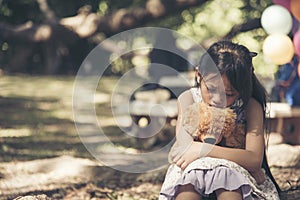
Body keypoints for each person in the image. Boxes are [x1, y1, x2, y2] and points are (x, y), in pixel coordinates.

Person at [159, 40, 280, 200]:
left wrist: (203, 150)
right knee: (189, 186)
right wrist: (236, 155)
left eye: (229, 94)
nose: (217, 99)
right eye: (211, 89)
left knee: (227, 179)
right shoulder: (188, 99)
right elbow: (185, 148)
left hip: (236, 174)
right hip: (192, 171)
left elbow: (254, 159)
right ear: (198, 75)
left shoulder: (250, 106)